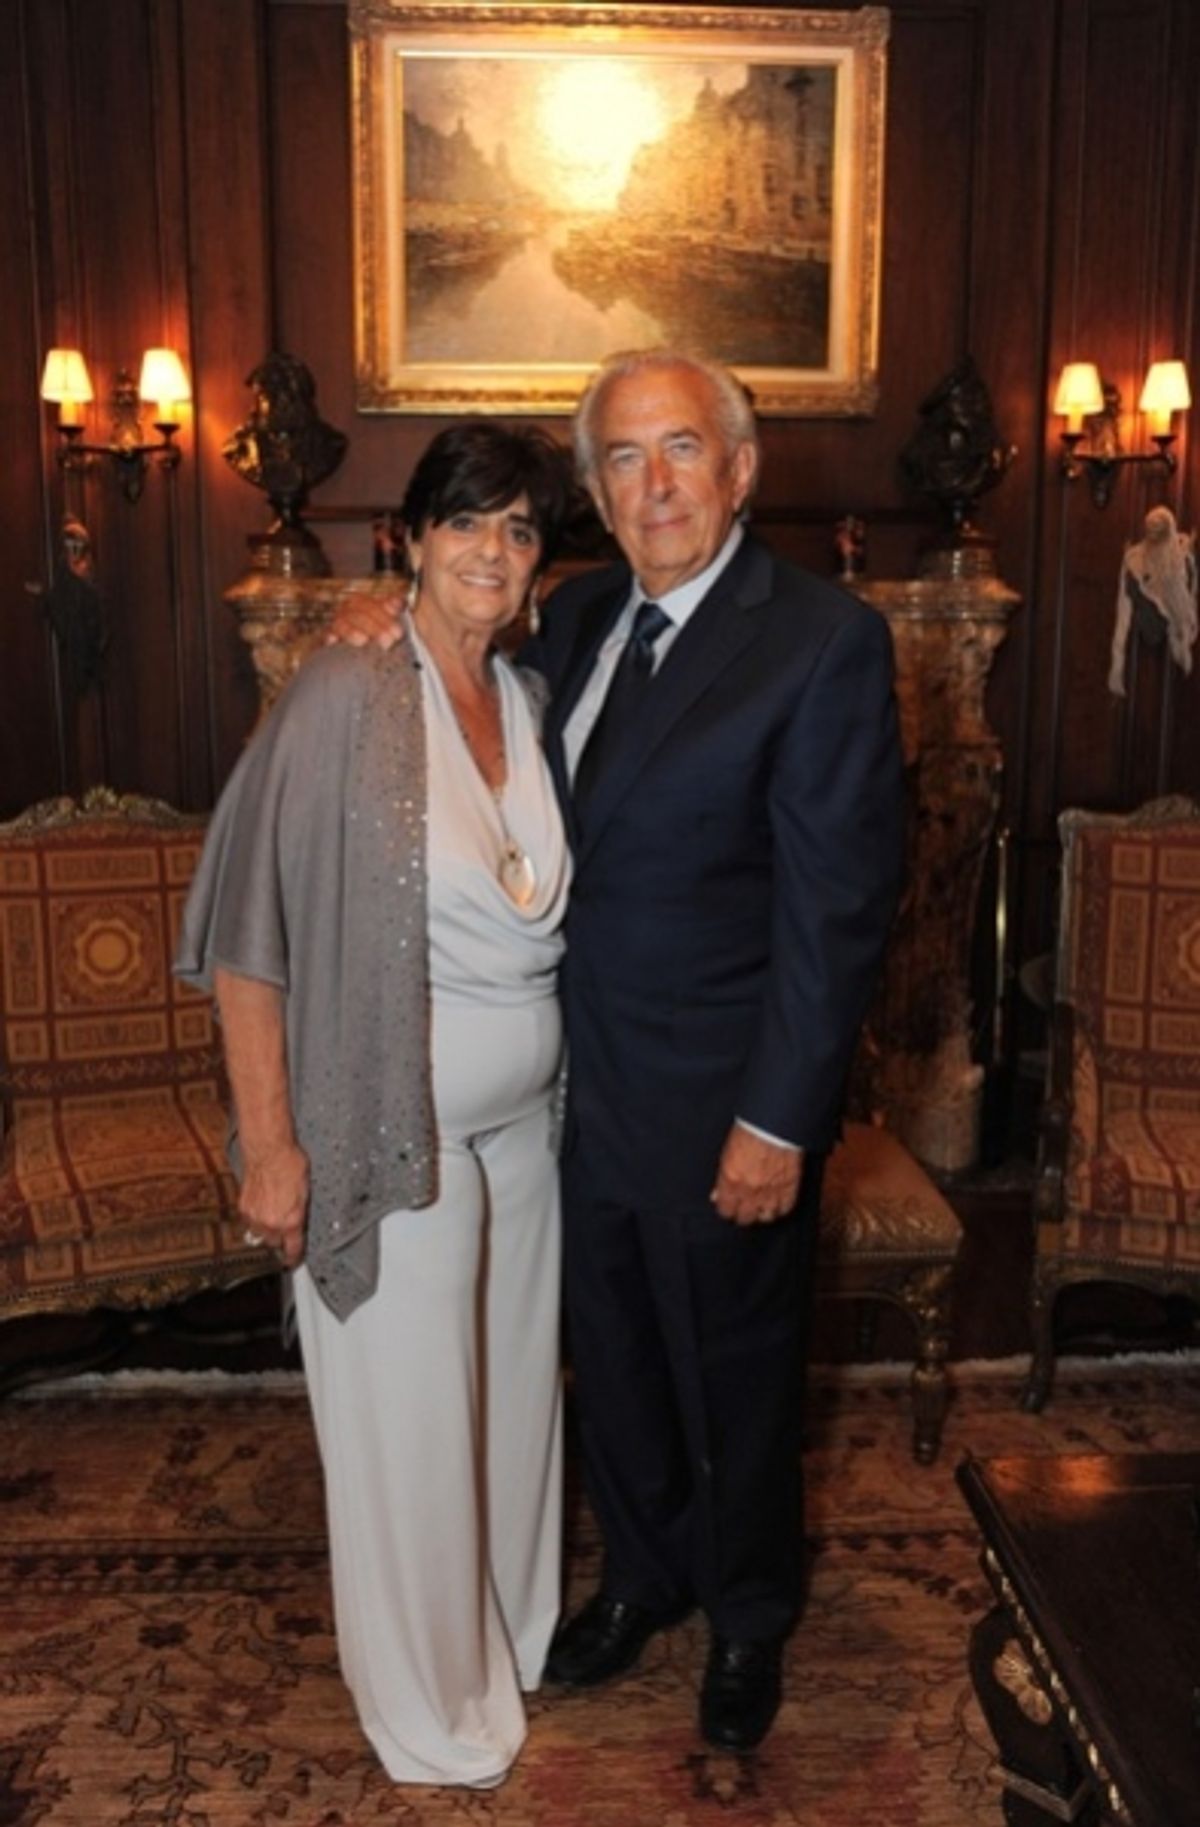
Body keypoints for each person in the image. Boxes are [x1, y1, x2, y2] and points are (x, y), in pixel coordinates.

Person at [330, 349, 905, 1754]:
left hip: (724, 1108)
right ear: (594, 489)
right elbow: (461, 685)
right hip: (570, 1097)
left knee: (739, 1377)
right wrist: (379, 605)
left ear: (741, 469)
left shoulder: (821, 641)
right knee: (616, 1359)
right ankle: (646, 1578)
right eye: (624, 460)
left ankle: (749, 1613)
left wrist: (780, 1120)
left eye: (682, 449)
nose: (655, 486)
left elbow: (836, 912)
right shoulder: (577, 616)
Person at [175, 422, 574, 1788]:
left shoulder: (526, 697)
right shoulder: (345, 687)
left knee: (510, 1419)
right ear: (409, 539)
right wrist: (273, 1145)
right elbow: (249, 935)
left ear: (540, 564)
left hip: (527, 1139)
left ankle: (505, 1641)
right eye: (467, 521)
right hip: (389, 1136)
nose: (493, 551)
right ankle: (428, 1712)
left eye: (520, 528)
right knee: (410, 1437)